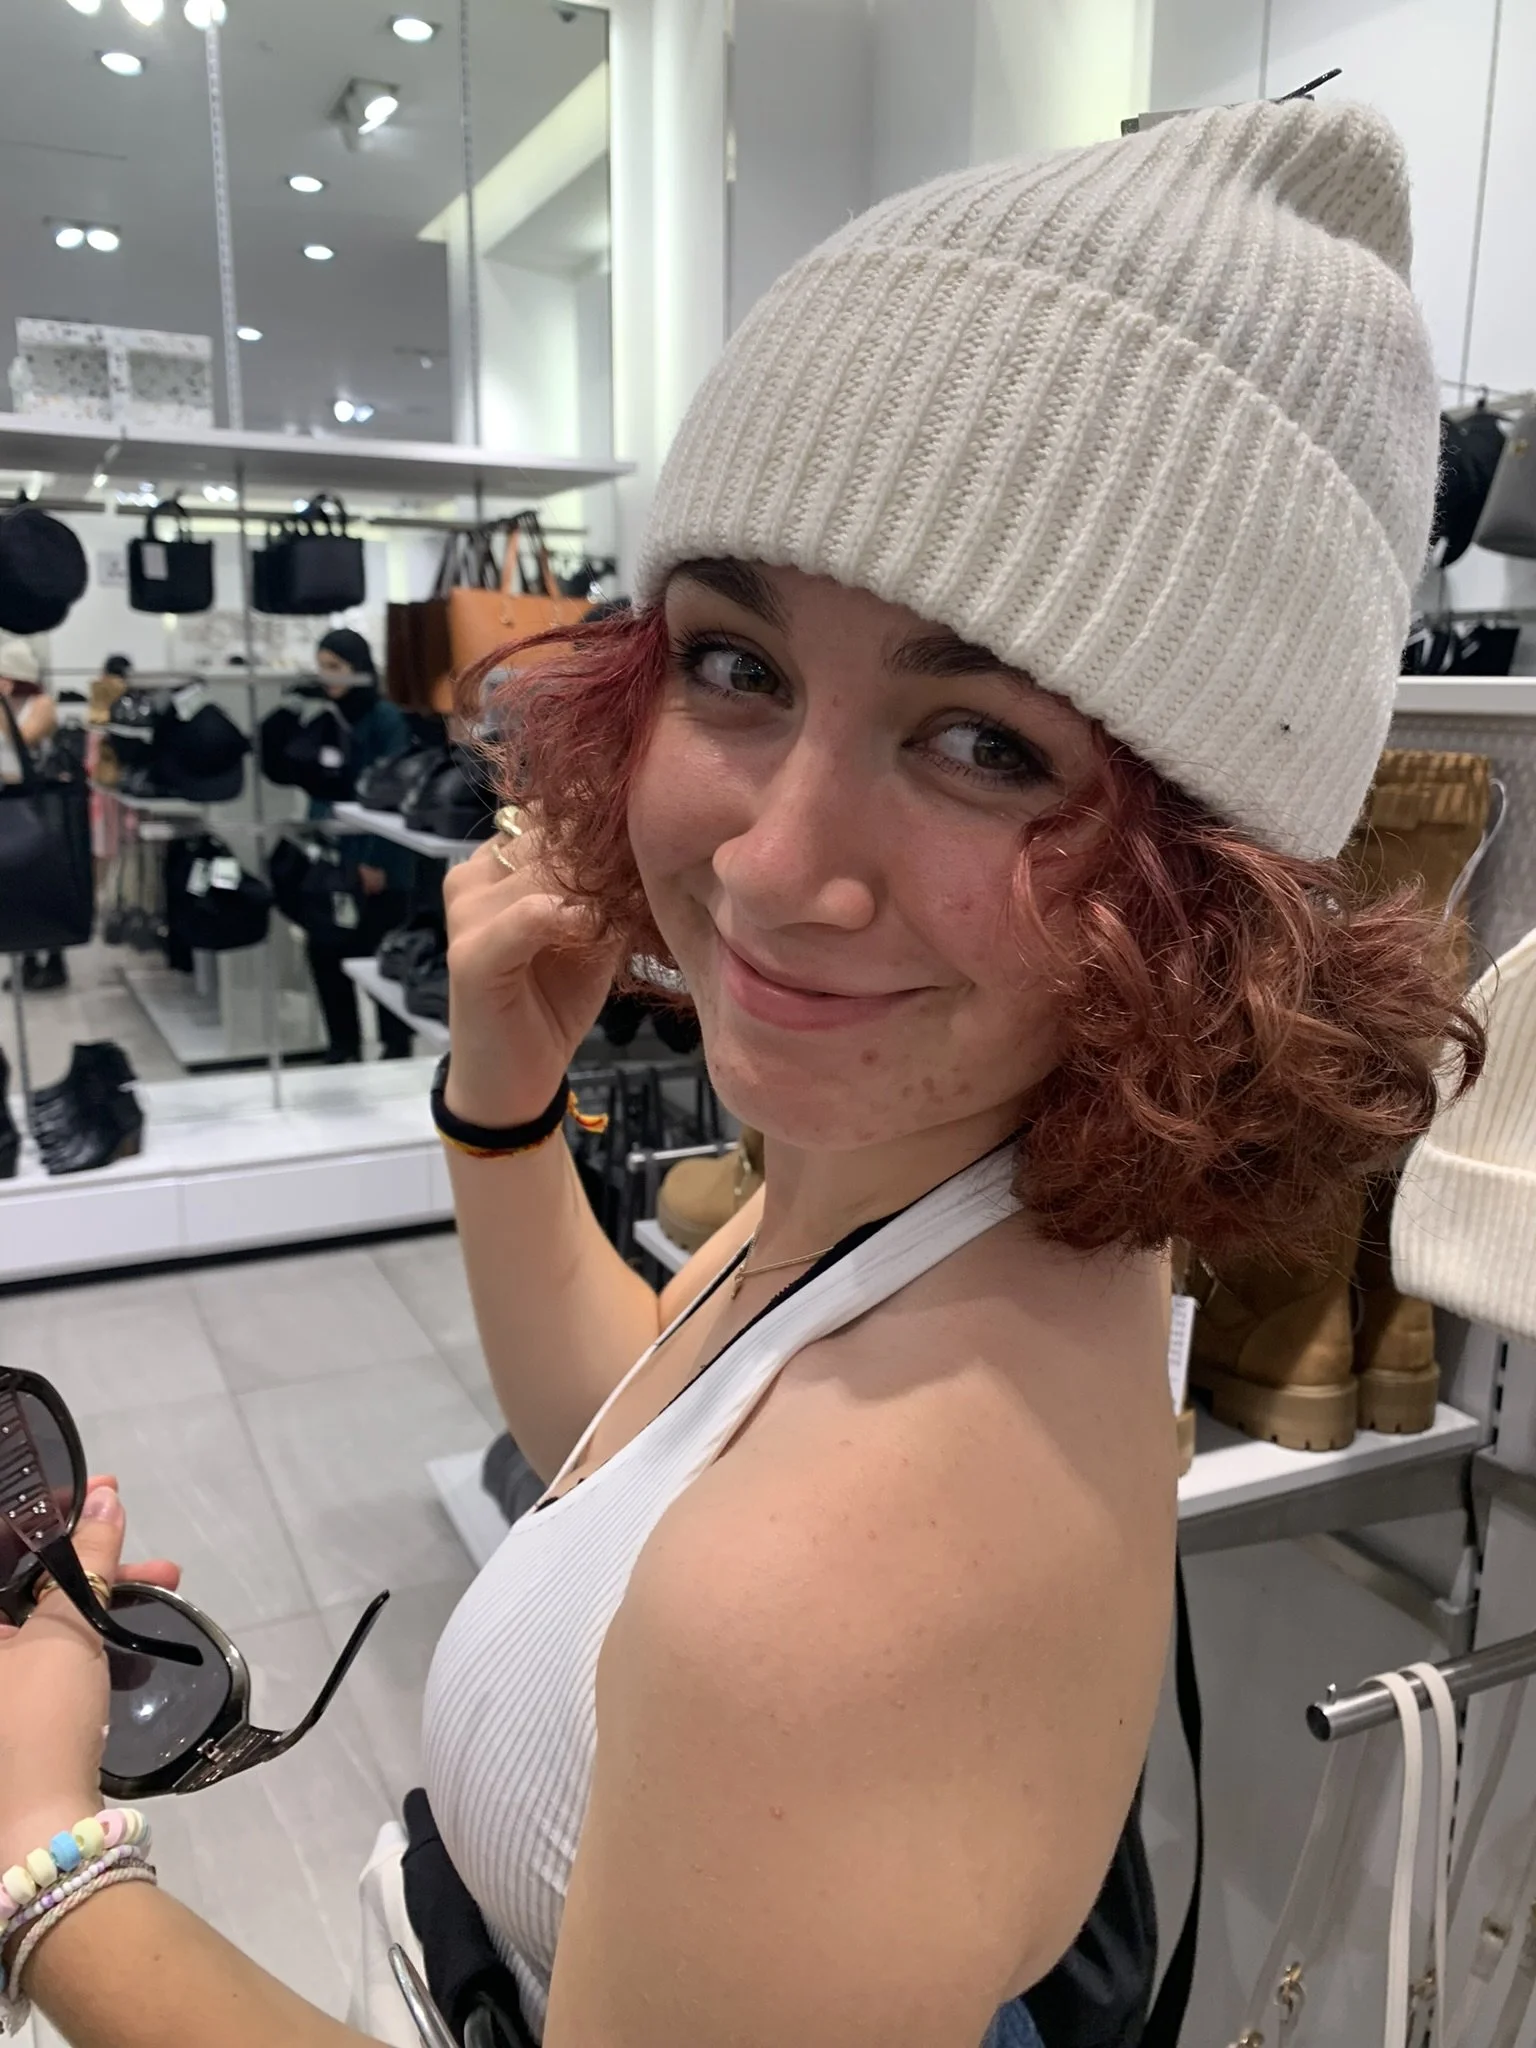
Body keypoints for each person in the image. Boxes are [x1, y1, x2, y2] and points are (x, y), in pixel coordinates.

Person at [0, 101, 1486, 2048]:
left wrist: (42, 1859)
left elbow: (748, 1575)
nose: (776, 864)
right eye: (741, 666)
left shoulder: (852, 1567)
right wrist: (505, 1099)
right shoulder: (957, 1197)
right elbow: (622, 1438)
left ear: (1200, 886)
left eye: (988, 745)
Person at [306, 627, 417, 1062]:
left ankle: (395, 1048)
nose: (327, 676)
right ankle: (342, 1047)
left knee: (382, 960)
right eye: (322, 667)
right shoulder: (328, 717)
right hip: (336, 860)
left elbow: (394, 792)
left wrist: (376, 863)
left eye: (335, 666)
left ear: (359, 668)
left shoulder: (385, 718)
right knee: (325, 951)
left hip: (381, 867)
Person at [0, 635, 67, 992]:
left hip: (38, 801)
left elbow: (21, 740)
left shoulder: (41, 704)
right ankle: (25, 958)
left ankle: (55, 960)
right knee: (15, 883)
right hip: (8, 800)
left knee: (42, 878)